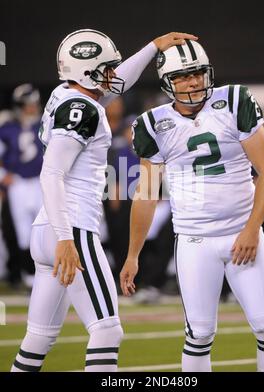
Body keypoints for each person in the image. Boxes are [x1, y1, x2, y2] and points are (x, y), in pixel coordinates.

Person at [10, 29, 197, 372]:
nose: (113, 75)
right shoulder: (85, 110)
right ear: (87, 71)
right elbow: (51, 175)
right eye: (106, 68)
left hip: (47, 229)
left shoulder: (64, 94)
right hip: (71, 230)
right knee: (107, 331)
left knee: (38, 338)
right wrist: (67, 239)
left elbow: (112, 86)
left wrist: (153, 47)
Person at [120, 40, 264, 372]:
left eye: (197, 72)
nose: (194, 81)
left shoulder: (234, 101)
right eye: (183, 76)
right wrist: (132, 254)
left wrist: (252, 229)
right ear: (168, 81)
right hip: (195, 240)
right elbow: (147, 193)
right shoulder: (153, 124)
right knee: (199, 334)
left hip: (243, 232)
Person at [0, 84, 43, 288]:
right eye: (28, 105)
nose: (32, 108)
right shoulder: (7, 127)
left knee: (43, 228)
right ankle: (28, 275)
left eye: (34, 104)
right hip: (18, 182)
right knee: (23, 232)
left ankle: (42, 273)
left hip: (40, 181)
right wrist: (3, 175)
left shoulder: (45, 124)